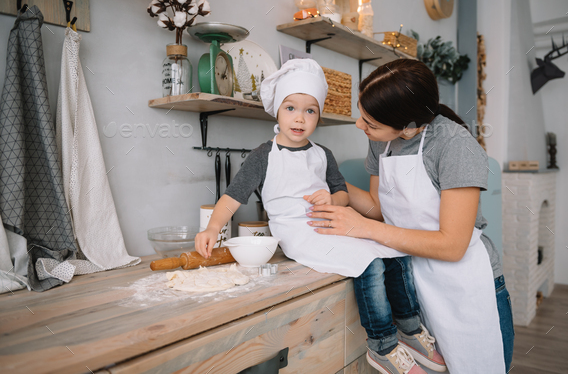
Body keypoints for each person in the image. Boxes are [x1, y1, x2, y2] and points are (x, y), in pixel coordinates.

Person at [194, 59, 445, 374]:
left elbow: (341, 194)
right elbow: (232, 197)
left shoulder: (322, 154)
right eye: (290, 108)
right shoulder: (262, 156)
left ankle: (410, 328)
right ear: (277, 111)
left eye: (309, 110)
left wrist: (331, 198)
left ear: (318, 116)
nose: (299, 118)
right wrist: (212, 228)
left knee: (395, 252)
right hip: (299, 233)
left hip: (331, 224)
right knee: (368, 262)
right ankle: (382, 345)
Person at [306, 59, 514, 374]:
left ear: (410, 127)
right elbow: (379, 206)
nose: (360, 126)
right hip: (413, 283)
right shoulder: (382, 143)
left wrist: (364, 229)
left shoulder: (455, 146)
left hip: (465, 288)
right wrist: (330, 180)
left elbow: (452, 245)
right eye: (361, 115)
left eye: (370, 123)